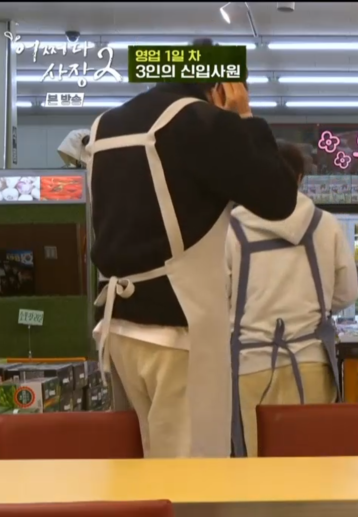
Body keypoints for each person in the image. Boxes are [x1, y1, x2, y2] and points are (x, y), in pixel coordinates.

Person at [87, 36, 301, 482]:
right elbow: (279, 198)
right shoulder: (203, 123)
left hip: (118, 328)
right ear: (221, 86)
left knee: (134, 479)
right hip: (179, 334)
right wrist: (244, 118)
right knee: (191, 482)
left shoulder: (106, 126)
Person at [226, 144, 358, 517]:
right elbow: (346, 292)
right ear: (300, 179)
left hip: (250, 367)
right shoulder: (325, 224)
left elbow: (218, 298)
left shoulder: (231, 228)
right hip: (311, 362)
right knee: (312, 470)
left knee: (252, 471)